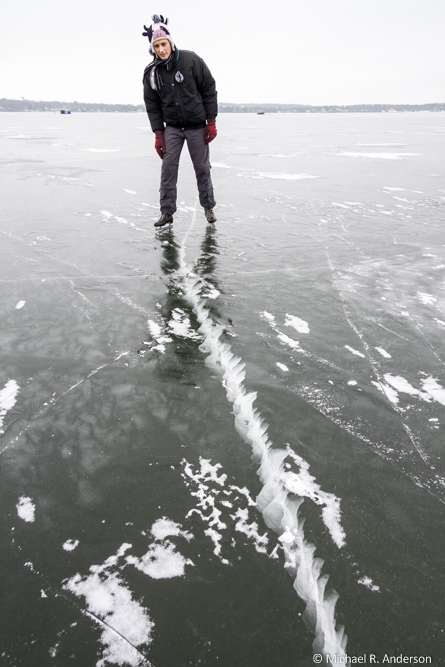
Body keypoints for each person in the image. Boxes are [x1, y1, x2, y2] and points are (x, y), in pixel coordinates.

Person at [142, 15, 218, 229]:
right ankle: (167, 212)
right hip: (173, 128)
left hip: (196, 126)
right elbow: (152, 105)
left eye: (163, 44)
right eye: (156, 46)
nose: (161, 49)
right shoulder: (152, 72)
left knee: (202, 167)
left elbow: (209, 89)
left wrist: (210, 121)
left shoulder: (190, 60)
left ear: (171, 43)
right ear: (153, 48)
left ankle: (208, 206)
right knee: (168, 168)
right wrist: (158, 134)